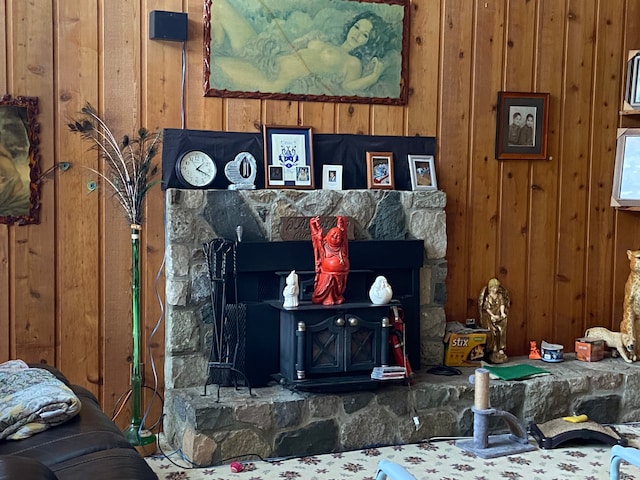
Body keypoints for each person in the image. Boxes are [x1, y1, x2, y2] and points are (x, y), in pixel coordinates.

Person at [209, 0, 395, 96]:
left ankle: (219, 47)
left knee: (213, 64)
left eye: (364, 35)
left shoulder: (352, 62)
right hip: (266, 56)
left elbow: (348, 86)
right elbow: (292, 44)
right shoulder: (324, 38)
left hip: (272, 77)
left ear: (367, 43)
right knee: (219, 6)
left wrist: (373, 77)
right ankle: (218, 40)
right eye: (357, 27)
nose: (356, 34)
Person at [310, 216, 350, 305]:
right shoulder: (324, 246)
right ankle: (328, 297)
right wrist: (313, 225)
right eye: (333, 236)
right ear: (327, 237)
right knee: (330, 283)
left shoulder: (342, 247)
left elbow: (343, 233)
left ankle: (337, 296)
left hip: (341, 275)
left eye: (338, 237)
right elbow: (316, 237)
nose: (336, 238)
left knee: (338, 286)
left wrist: (341, 222)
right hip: (328, 274)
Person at [478, 278, 510, 363]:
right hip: (490, 317)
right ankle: (494, 349)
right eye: (494, 288)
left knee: (501, 330)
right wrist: (492, 316)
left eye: (497, 287)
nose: (495, 289)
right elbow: (486, 308)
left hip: (498, 316)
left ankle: (501, 348)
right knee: (493, 332)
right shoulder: (488, 297)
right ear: (490, 288)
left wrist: (502, 313)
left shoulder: (499, 296)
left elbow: (502, 305)